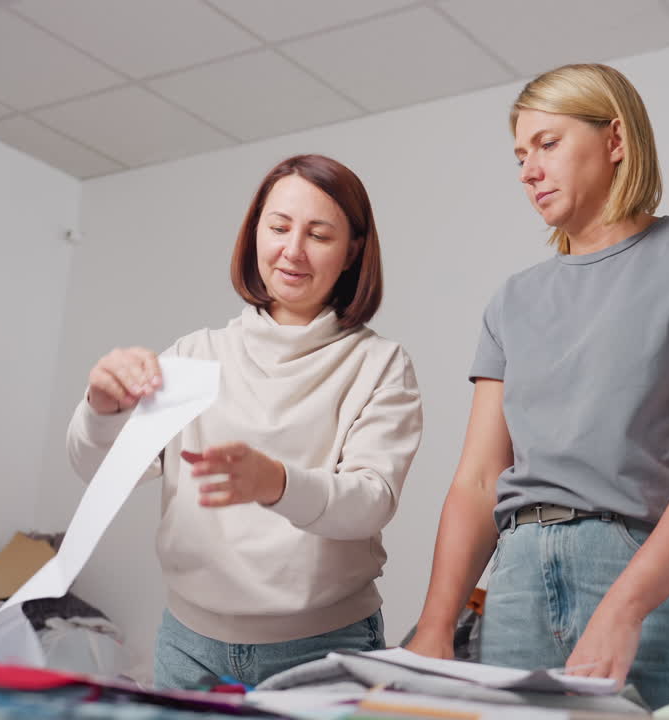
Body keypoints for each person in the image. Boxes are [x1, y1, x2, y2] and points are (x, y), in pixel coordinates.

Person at [405, 64, 669, 709]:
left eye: (547, 144)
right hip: (519, 581)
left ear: (615, 140)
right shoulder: (513, 300)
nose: (527, 170)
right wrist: (435, 627)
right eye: (520, 155)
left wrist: (625, 606)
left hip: (657, 574)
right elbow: (477, 478)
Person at [67, 154, 423, 689]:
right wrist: (102, 407)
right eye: (278, 227)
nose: (292, 250)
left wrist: (276, 484)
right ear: (255, 231)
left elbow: (369, 503)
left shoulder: (379, 364)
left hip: (324, 646)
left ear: (352, 250)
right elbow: (104, 471)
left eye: (319, 235)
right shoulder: (196, 355)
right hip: (189, 647)